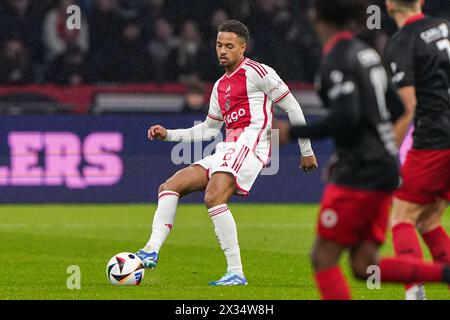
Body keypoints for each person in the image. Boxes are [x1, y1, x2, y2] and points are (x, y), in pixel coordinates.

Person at [280, 0, 450, 299]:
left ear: (319, 18)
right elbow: (396, 107)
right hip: (394, 163)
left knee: (328, 256)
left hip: (380, 163)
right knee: (368, 260)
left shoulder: (345, 55)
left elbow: (358, 114)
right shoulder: (374, 52)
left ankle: (415, 292)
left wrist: (293, 132)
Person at [136, 19, 318, 286]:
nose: (222, 50)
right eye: (219, 45)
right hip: (228, 148)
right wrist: (169, 135)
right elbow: (209, 130)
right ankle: (151, 250)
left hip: (252, 144)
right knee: (170, 186)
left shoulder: (259, 72)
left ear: (242, 48)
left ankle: (236, 272)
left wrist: (306, 149)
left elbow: (292, 107)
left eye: (229, 46)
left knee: (213, 196)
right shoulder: (220, 86)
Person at [385, 0, 450, 300]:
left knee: (401, 218)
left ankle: (414, 291)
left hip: (435, 140)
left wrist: (386, 154)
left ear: (388, 5)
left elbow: (408, 108)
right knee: (428, 220)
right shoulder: (444, 27)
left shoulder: (402, 42)